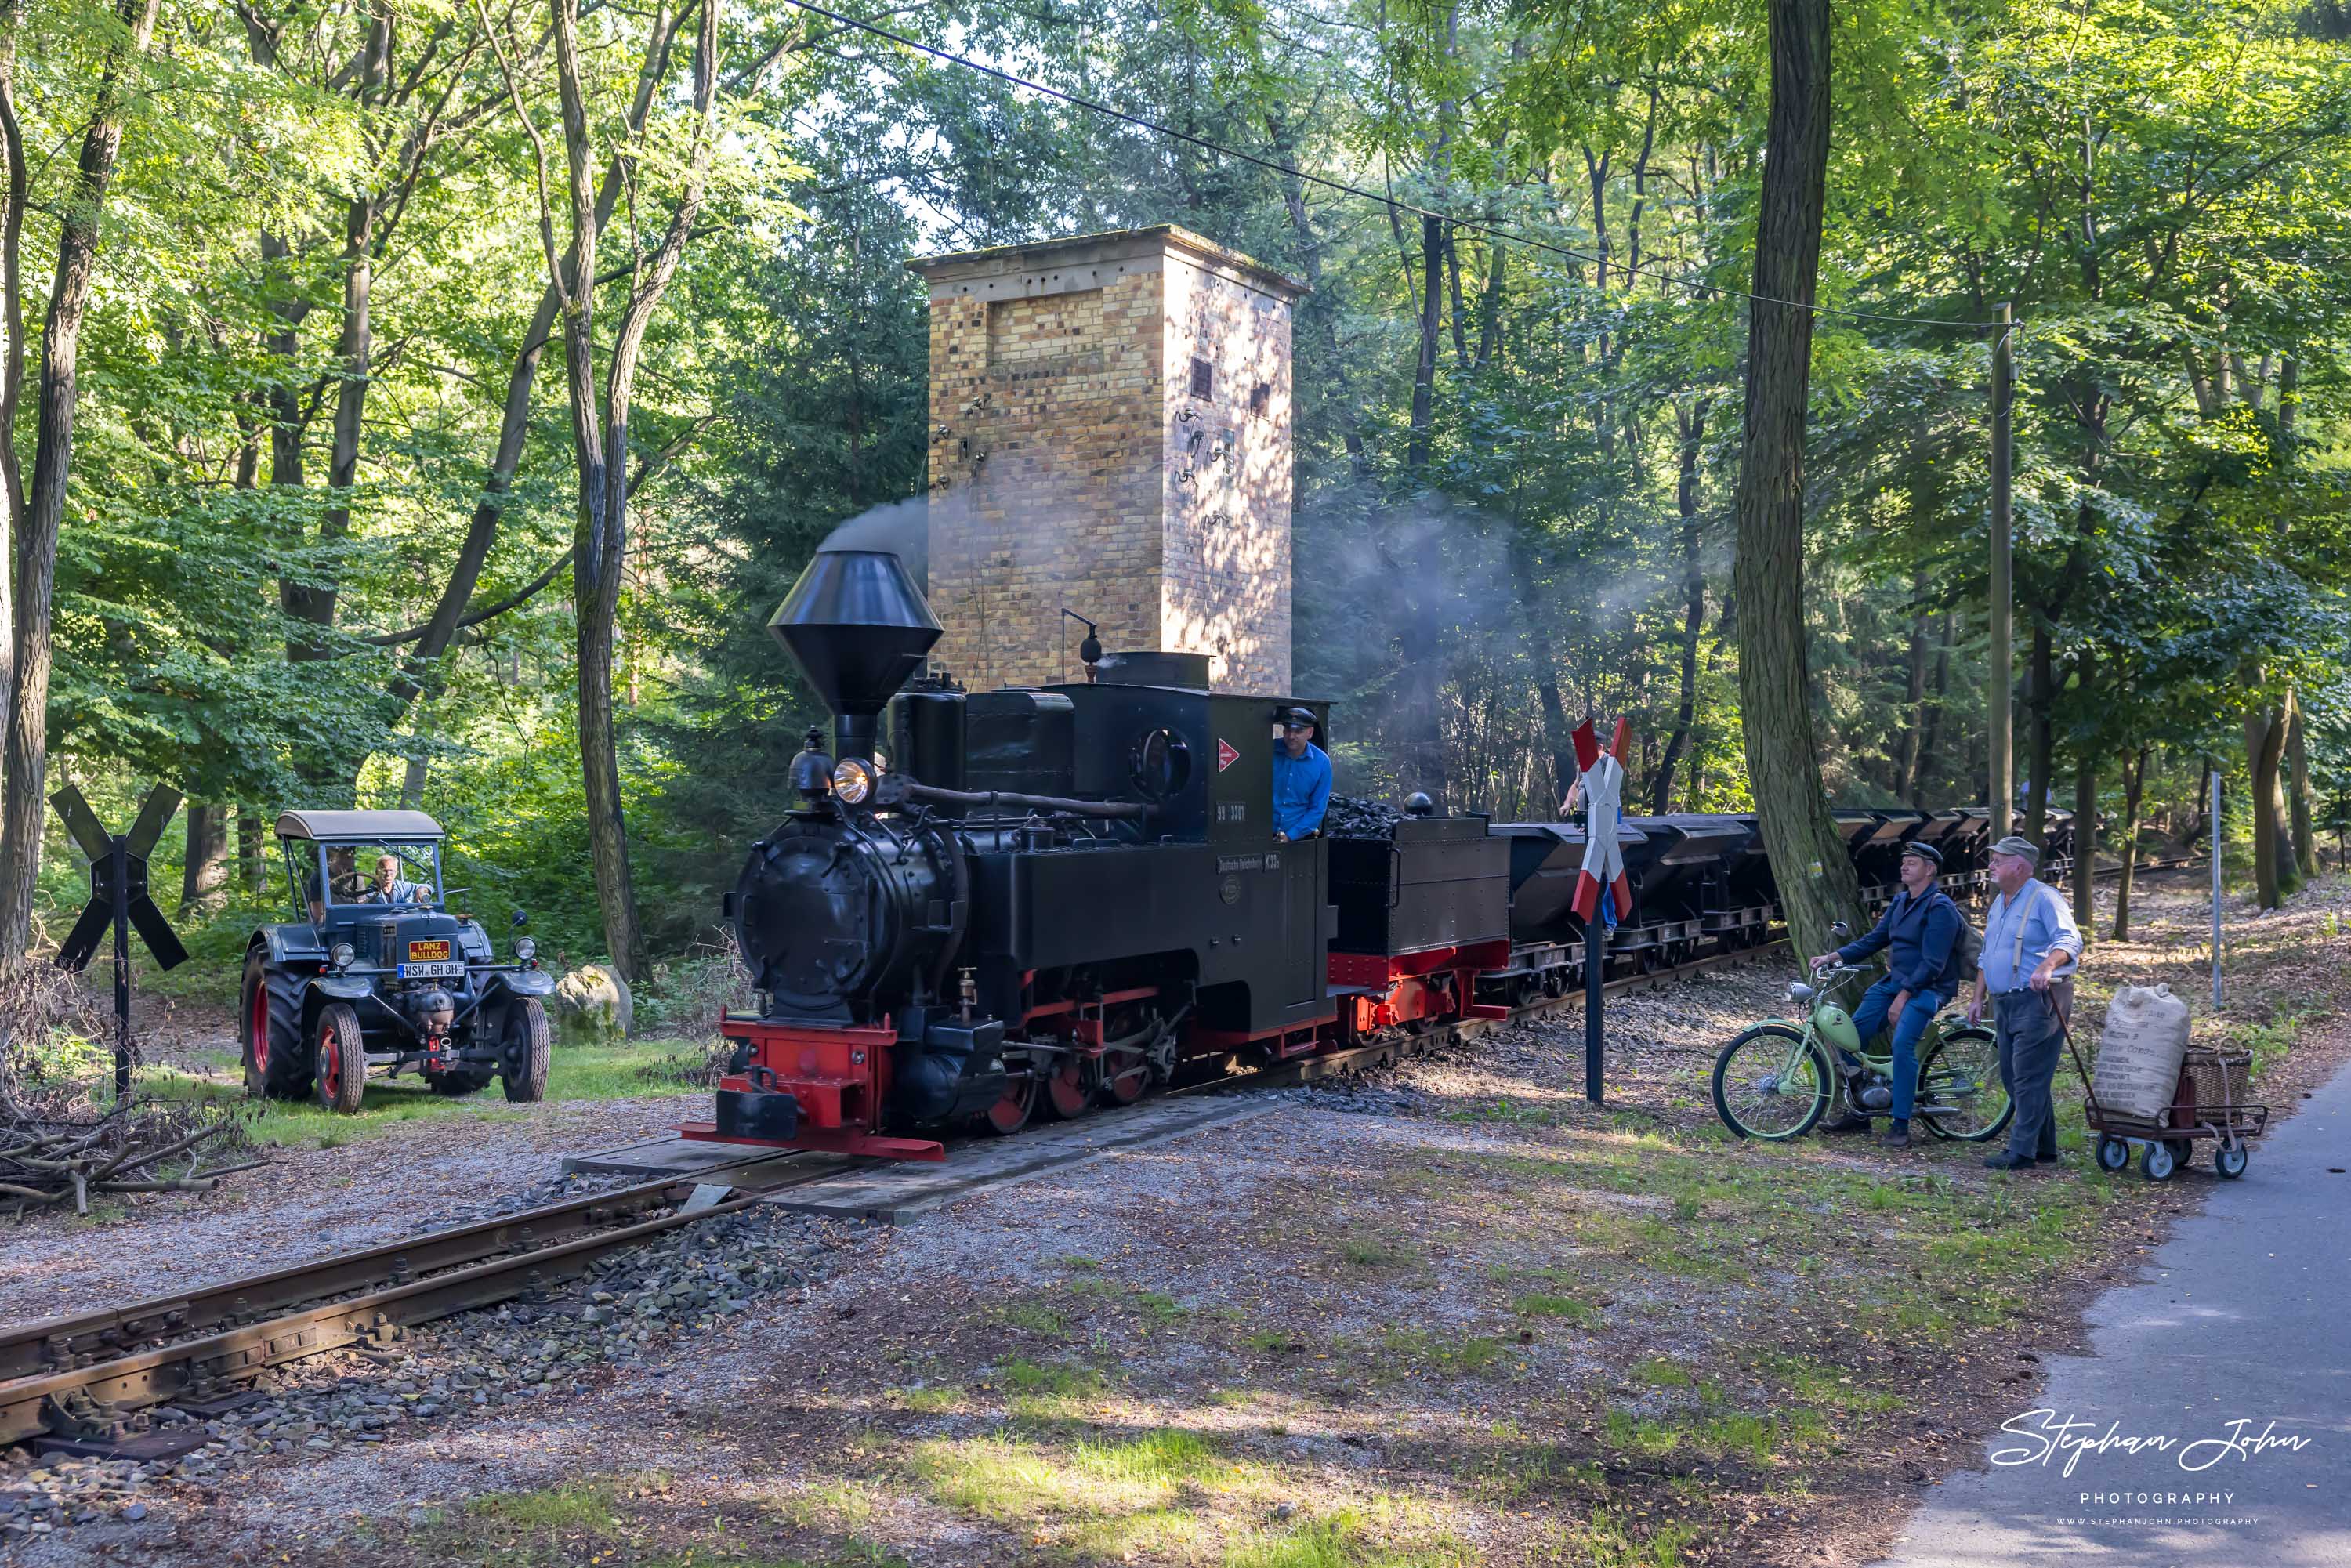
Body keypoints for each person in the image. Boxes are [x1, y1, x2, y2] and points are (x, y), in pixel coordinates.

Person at [1809, 842, 1965, 1149]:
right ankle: (1860, 1113)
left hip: (1928, 988)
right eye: (1904, 861)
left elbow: (1934, 964)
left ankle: (1901, 1124)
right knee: (1846, 1036)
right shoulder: (1901, 901)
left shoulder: (1940, 907)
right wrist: (1834, 957)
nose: (1904, 866)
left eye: (1913, 862)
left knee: (1902, 1043)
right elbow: (1875, 939)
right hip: (1897, 982)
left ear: (1930, 870)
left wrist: (1904, 995)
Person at [1969, 834, 2084, 1171]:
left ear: (2018, 866)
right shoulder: (1999, 903)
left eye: (1997, 861)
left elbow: (2070, 941)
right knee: (2012, 1075)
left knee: (2028, 1076)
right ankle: (2045, 1147)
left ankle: (2022, 1152)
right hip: (2004, 1001)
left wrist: (2047, 966)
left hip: (2039, 1000)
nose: (1990, 866)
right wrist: (1978, 997)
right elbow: (1987, 956)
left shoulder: (2045, 898)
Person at [1271, 707, 1331, 842]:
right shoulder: (1268, 749)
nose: (1291, 736)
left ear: (1310, 733)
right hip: (1262, 834)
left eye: (1298, 731)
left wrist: (1290, 836)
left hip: (1298, 839)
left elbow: (1318, 808)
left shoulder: (1322, 763)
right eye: (1287, 730)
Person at [306, 846, 356, 923]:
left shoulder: (356, 878)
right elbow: (317, 914)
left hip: (353, 920)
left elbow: (362, 903)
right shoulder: (319, 877)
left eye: (349, 857)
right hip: (328, 921)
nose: (346, 861)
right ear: (332, 857)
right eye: (342, 856)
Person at [365, 853, 429, 905]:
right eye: (385, 871)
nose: (388, 874)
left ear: (396, 873)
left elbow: (428, 887)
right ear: (377, 872)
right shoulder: (370, 892)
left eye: (391, 871)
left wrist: (421, 890)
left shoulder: (401, 887)